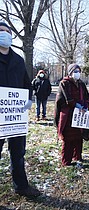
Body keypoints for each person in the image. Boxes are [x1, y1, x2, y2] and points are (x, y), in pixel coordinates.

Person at [0, 22, 40, 196]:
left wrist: (29, 99)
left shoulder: (18, 60)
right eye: (1, 31)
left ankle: (21, 186)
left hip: (16, 117)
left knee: (18, 152)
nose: (5, 34)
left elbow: (27, 84)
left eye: (7, 32)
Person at [54, 63, 89, 166]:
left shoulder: (81, 84)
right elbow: (67, 99)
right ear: (70, 73)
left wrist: (86, 106)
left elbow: (86, 96)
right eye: (75, 71)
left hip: (80, 115)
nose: (77, 73)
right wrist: (76, 105)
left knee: (78, 137)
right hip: (69, 114)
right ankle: (66, 160)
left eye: (79, 71)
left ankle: (77, 156)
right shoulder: (64, 83)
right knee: (68, 138)